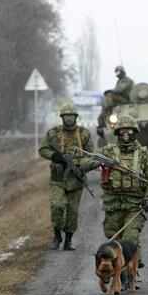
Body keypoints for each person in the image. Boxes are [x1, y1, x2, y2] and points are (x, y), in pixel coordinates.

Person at [83, 115, 148, 269]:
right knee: (114, 238)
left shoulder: (144, 154)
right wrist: (97, 162)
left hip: (135, 206)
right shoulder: (108, 151)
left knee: (130, 238)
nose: (126, 133)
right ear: (117, 132)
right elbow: (84, 162)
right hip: (113, 205)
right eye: (122, 129)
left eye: (129, 129)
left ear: (134, 131)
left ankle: (130, 272)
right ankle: (123, 270)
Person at [39, 103, 95, 251]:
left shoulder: (84, 134)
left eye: (71, 116)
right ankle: (57, 235)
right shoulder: (53, 133)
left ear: (76, 117)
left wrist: (82, 167)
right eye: (66, 116)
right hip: (57, 180)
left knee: (72, 212)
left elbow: (92, 155)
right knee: (57, 206)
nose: (69, 119)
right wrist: (54, 156)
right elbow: (42, 149)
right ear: (62, 117)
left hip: (75, 181)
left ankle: (68, 240)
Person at [96, 65, 134, 137]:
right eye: (116, 72)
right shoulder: (120, 81)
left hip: (126, 99)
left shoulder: (126, 80)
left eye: (118, 72)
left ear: (122, 72)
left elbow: (120, 89)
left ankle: (108, 109)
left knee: (109, 95)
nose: (117, 73)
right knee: (106, 97)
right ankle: (105, 113)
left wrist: (112, 91)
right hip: (120, 98)